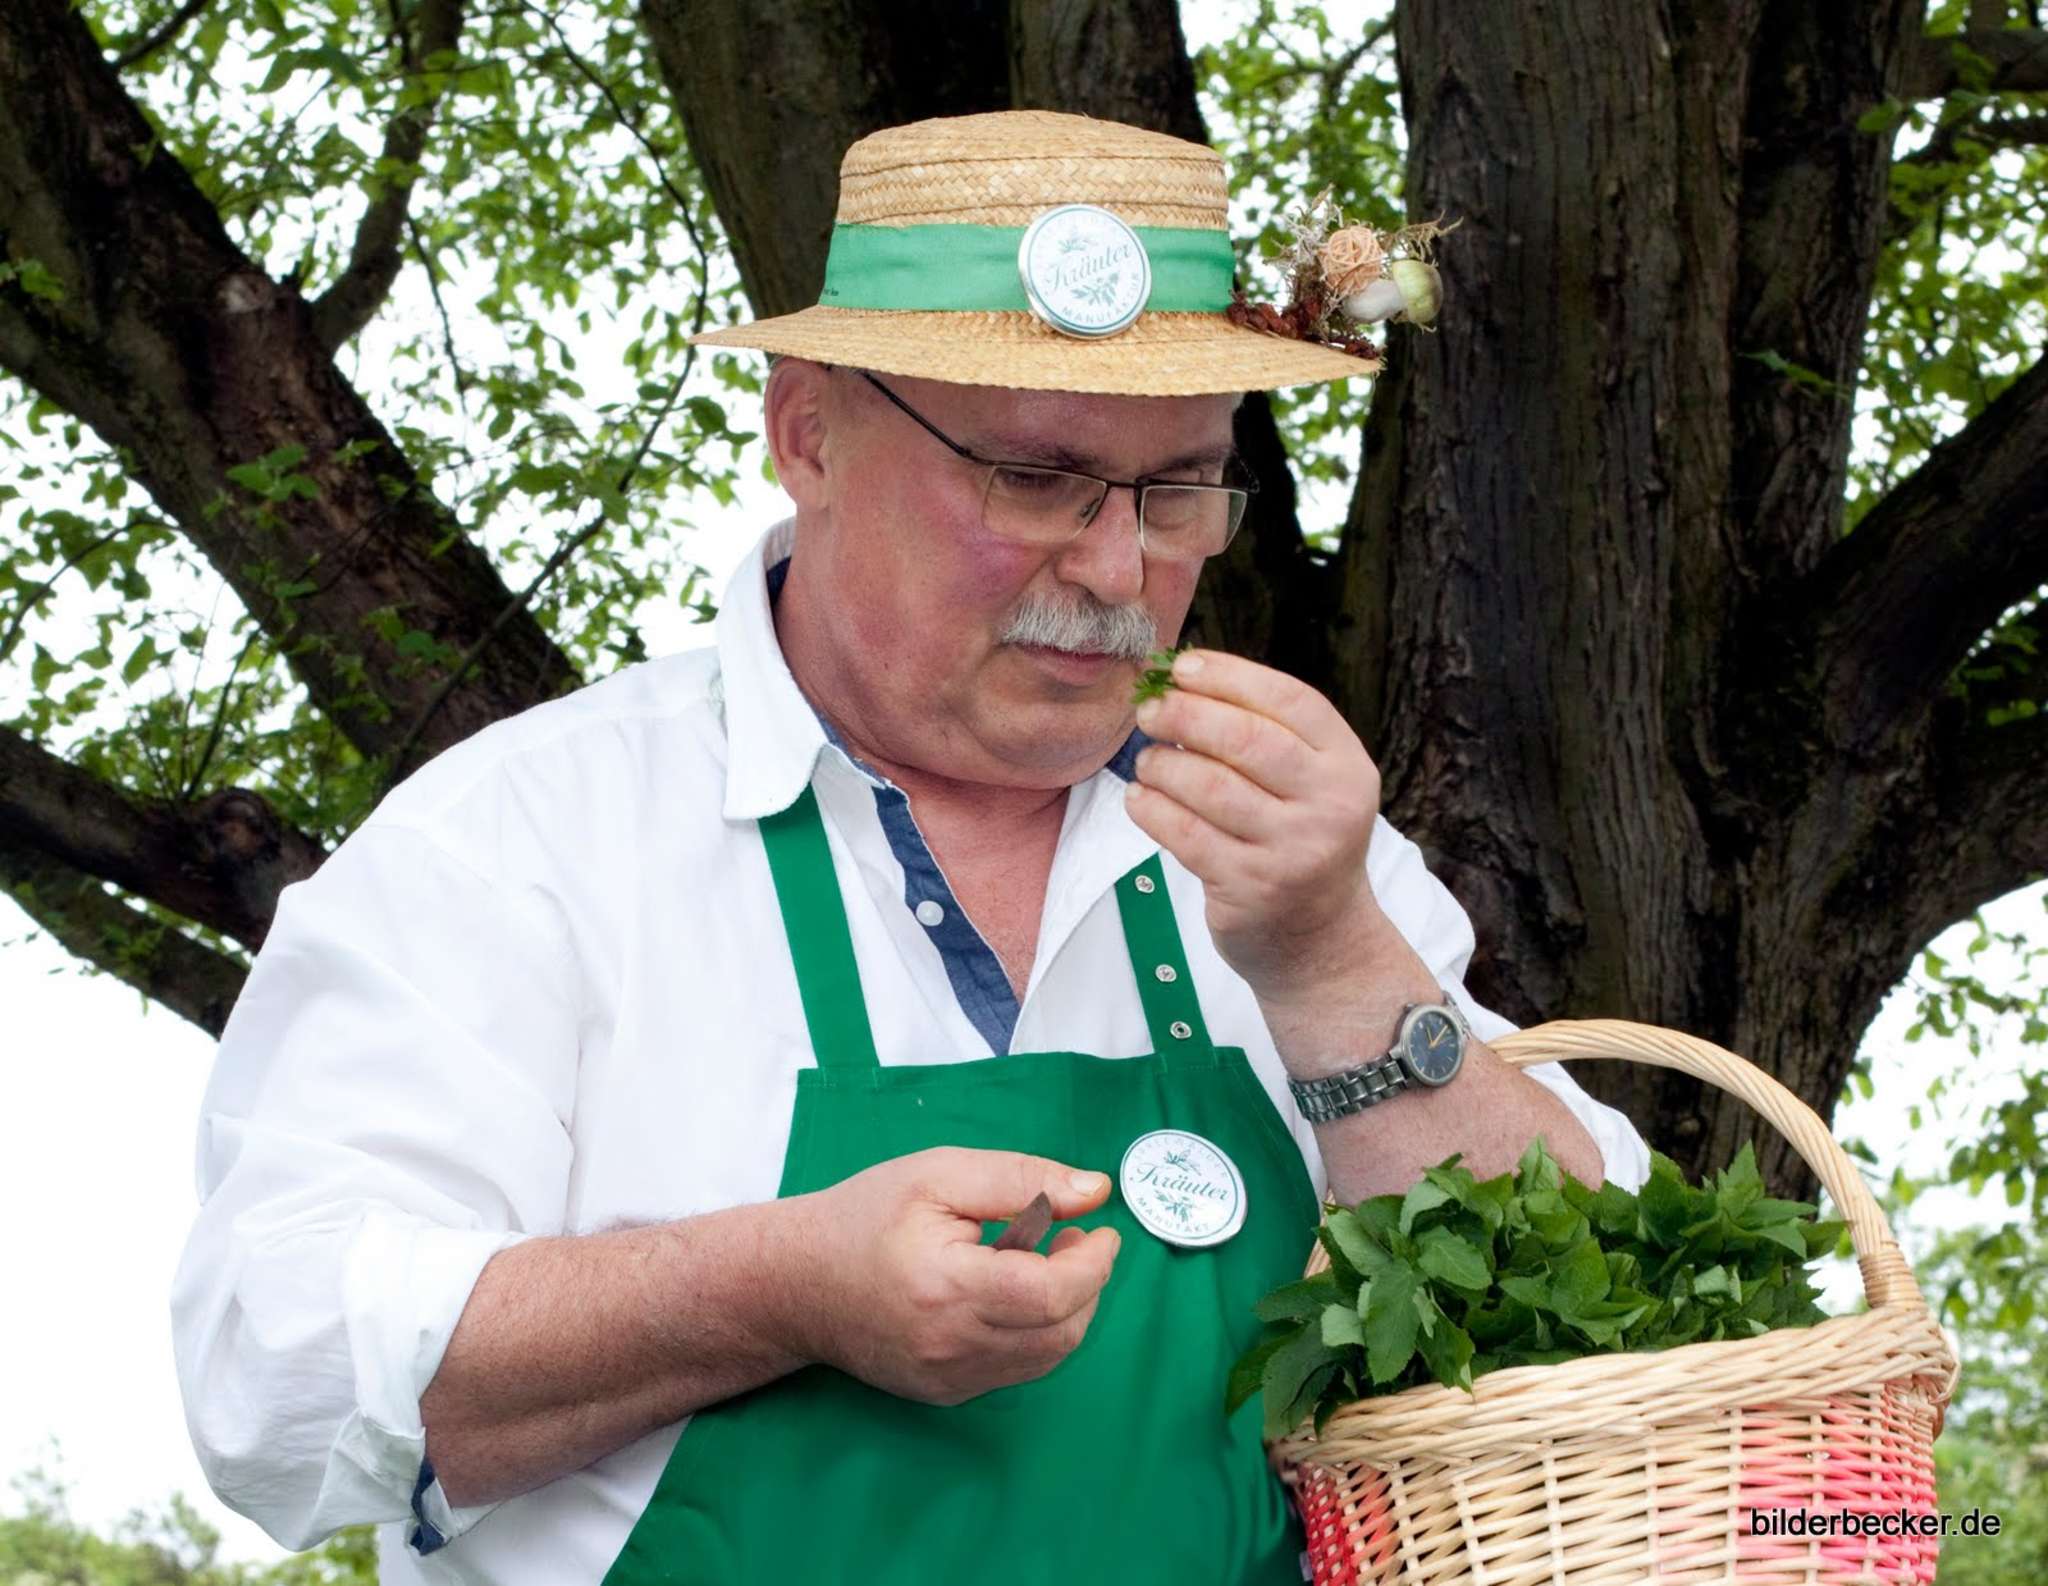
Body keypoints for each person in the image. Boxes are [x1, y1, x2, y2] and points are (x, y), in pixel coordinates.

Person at [172, 109, 1649, 1585]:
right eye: (1038, 475)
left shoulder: (1301, 852)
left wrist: (1333, 964)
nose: (1119, 567)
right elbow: (278, 1374)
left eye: (1180, 485)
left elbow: (1631, 1360)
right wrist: (770, 1289)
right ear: (809, 433)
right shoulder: (522, 844)